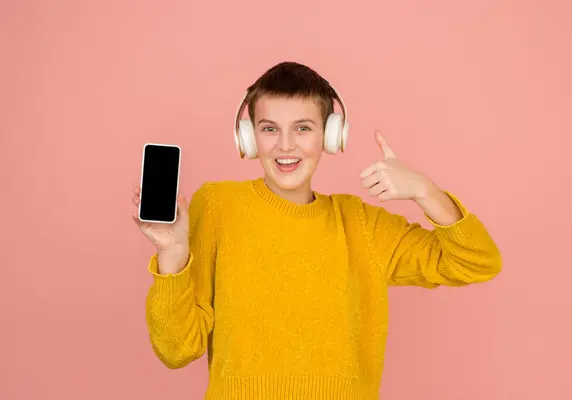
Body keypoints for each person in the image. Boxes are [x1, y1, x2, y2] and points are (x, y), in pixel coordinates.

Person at [131, 61, 502, 399]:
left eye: (303, 128)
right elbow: (176, 349)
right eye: (269, 129)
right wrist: (172, 255)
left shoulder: (361, 224)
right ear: (249, 137)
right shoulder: (217, 206)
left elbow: (477, 262)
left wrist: (424, 190)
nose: (286, 145)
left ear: (330, 135)